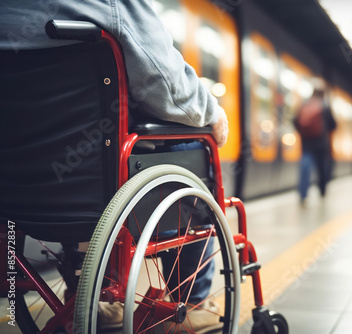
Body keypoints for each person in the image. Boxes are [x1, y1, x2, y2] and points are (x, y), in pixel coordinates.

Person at [0, 1, 228, 332]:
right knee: (194, 148)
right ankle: (193, 301)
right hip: (98, 188)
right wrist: (213, 114)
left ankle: (88, 292)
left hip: (17, 193)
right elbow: (168, 87)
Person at [294, 89, 337, 206]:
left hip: (306, 142)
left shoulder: (304, 105)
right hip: (321, 143)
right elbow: (333, 125)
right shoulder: (325, 106)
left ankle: (303, 194)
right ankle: (322, 190)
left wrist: (304, 134)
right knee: (322, 167)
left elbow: (295, 121)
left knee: (305, 165)